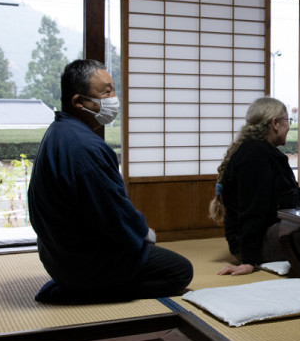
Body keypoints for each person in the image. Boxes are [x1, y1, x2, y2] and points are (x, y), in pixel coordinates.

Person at [29, 59, 193, 303]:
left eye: (113, 89)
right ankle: (81, 292)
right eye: (106, 92)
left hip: (58, 256)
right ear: (78, 102)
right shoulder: (86, 148)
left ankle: (78, 284)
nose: (114, 98)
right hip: (85, 262)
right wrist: (142, 233)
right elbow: (114, 212)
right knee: (180, 271)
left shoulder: (58, 132)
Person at [210, 97, 300, 276]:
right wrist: (249, 260)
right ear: (275, 123)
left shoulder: (265, 152)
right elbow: (252, 210)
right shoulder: (255, 156)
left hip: (271, 229)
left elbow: (294, 193)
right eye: (288, 121)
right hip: (257, 241)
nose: (289, 126)